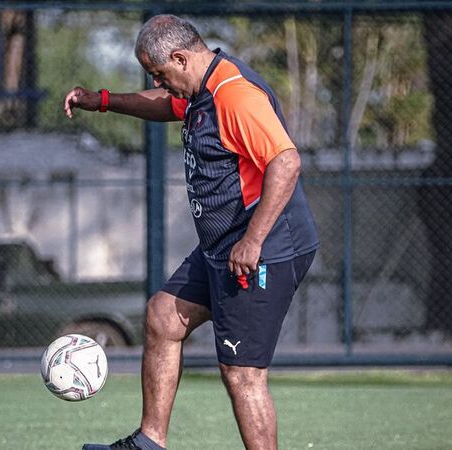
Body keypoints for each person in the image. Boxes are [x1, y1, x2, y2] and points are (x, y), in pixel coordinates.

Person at [63, 14, 319, 450]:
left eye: (161, 74)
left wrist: (253, 240)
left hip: (265, 248)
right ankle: (150, 441)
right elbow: (163, 105)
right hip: (224, 245)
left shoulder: (234, 95)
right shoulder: (200, 89)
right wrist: (102, 100)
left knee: (243, 374)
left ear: (181, 57)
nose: (161, 84)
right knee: (163, 316)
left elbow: (286, 163)